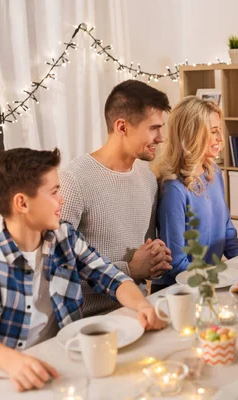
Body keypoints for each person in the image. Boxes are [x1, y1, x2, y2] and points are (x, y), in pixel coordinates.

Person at [0, 148, 167, 392]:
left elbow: (113, 278)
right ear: (22, 203)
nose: (62, 200)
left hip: (57, 362)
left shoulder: (64, 236)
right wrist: (15, 363)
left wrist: (142, 305)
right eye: (54, 192)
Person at [60, 80, 172, 316]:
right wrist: (129, 270)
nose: (161, 138)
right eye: (153, 128)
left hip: (140, 313)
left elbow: (146, 253)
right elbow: (59, 271)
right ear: (122, 127)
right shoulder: (74, 180)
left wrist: (156, 263)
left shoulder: (147, 177)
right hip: (92, 324)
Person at [152, 97, 238, 291]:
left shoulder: (213, 172)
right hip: (179, 290)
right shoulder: (174, 189)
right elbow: (176, 264)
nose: (220, 138)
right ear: (192, 134)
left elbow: (227, 228)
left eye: (219, 130)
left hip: (208, 280)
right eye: (213, 131)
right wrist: (217, 279)